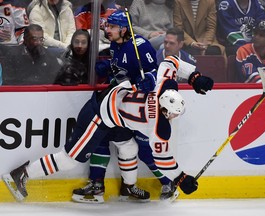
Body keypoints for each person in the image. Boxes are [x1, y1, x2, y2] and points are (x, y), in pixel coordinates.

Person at [2, 54, 213, 202]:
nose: (175, 117)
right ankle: (22, 174)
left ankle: (128, 187)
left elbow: (171, 61)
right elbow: (163, 160)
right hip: (99, 114)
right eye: (174, 113)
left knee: (129, 147)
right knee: (70, 159)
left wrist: (194, 77)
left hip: (116, 110)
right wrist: (181, 177)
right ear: (165, 110)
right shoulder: (158, 127)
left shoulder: (162, 89)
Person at [72, 10, 160, 203]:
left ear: (123, 29)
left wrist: (149, 81)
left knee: (130, 146)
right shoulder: (114, 43)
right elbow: (120, 69)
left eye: (112, 26)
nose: (107, 29)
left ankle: (130, 187)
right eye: (108, 25)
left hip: (134, 106)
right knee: (101, 138)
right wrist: (109, 69)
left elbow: (156, 71)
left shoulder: (141, 46)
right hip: (116, 102)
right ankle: (98, 186)